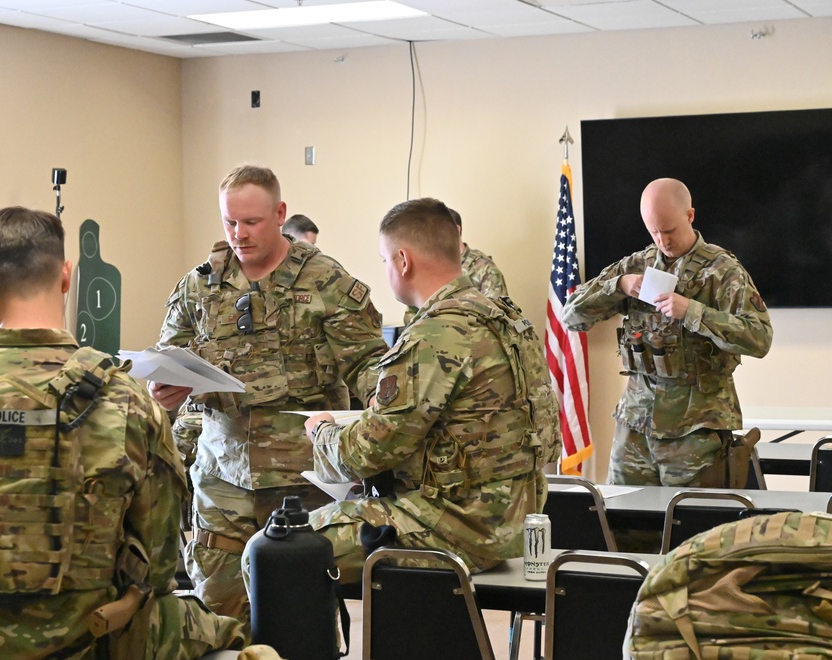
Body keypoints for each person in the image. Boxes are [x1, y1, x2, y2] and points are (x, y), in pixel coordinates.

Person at [0, 207, 244, 660]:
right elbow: (162, 563)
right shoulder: (125, 401)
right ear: (66, 277)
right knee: (228, 634)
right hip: (88, 647)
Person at [251, 197, 560, 583]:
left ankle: (289, 647)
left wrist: (323, 433)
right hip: (513, 519)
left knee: (271, 552)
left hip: (458, 528)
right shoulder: (506, 319)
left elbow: (365, 453)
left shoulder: (435, 334)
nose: (386, 270)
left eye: (384, 260)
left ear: (402, 260)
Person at [151, 165, 387, 622]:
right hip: (221, 475)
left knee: (298, 618)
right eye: (229, 222)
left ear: (280, 213)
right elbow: (168, 357)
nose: (239, 234)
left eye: (251, 222)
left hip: (303, 481)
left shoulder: (326, 282)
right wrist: (166, 389)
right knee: (218, 613)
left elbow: (368, 369)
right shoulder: (200, 284)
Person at [562, 178, 772, 487]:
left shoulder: (722, 271)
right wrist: (617, 285)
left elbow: (759, 338)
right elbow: (571, 316)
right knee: (623, 525)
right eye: (654, 232)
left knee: (694, 527)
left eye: (670, 230)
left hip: (696, 432)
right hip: (635, 428)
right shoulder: (637, 265)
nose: (663, 241)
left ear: (690, 216)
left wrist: (693, 312)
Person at [402, 207, 508, 325]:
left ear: (456, 230)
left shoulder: (484, 269)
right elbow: (411, 314)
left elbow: (499, 318)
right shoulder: (431, 267)